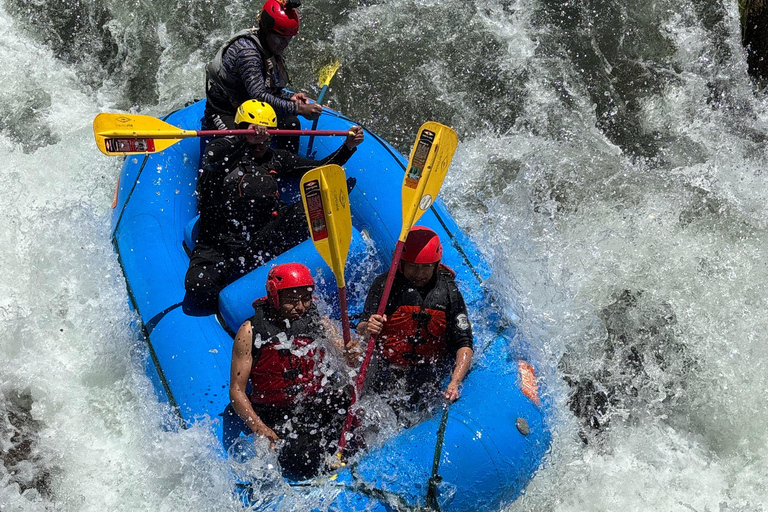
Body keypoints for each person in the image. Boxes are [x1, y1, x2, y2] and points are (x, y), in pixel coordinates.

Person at [185, 99, 364, 310]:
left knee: (309, 211)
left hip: (261, 237)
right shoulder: (221, 150)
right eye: (253, 132)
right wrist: (246, 140)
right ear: (239, 129)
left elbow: (319, 168)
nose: (261, 140)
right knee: (199, 285)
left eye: (266, 134)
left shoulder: (276, 158)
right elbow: (213, 157)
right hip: (217, 242)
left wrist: (348, 147)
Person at [226, 263, 356, 480]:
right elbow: (236, 391)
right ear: (274, 295)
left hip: (315, 401)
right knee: (304, 458)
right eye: (292, 300)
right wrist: (260, 428)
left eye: (305, 298)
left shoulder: (318, 321)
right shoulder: (250, 331)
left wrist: (351, 352)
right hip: (277, 413)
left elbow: (345, 353)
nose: (300, 307)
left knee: (361, 412)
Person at [356, 226, 474, 426]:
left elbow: (464, 342)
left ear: (436, 264)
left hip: (429, 369)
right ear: (401, 263)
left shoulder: (448, 292)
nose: (419, 273)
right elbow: (361, 329)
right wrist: (369, 327)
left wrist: (454, 382)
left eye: (426, 267)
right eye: (412, 266)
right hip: (387, 367)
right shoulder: (384, 285)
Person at [204, 0, 322, 152]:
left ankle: (284, 167)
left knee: (291, 124)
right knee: (237, 146)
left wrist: (289, 97)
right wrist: (298, 108)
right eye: (280, 38)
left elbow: (266, 87)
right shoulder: (248, 53)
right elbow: (259, 95)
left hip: (252, 108)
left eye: (289, 38)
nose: (285, 44)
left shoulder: (269, 46)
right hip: (226, 110)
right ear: (266, 29)